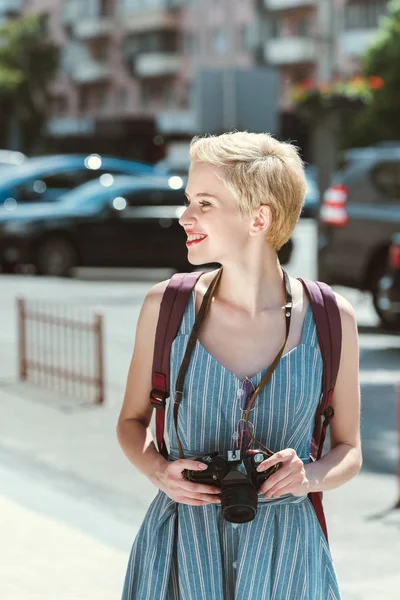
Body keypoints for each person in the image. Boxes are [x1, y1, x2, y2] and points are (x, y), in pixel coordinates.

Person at [117, 131, 362, 600]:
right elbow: (131, 423)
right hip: (179, 554)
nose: (184, 216)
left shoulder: (332, 318)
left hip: (287, 557)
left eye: (204, 203)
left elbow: (349, 450)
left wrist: (308, 475)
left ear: (259, 217)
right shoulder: (166, 307)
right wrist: (157, 471)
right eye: (189, 200)